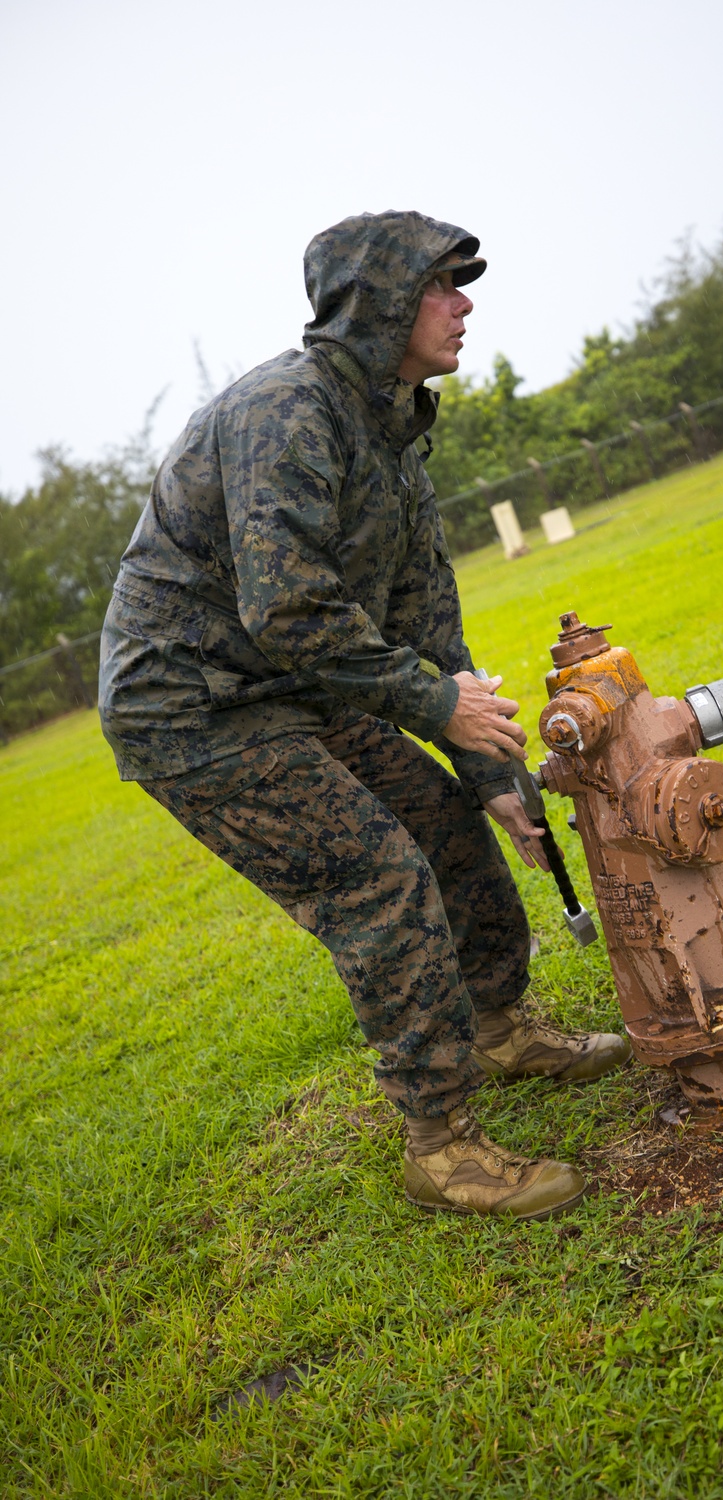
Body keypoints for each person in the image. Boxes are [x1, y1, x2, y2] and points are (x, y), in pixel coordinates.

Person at [99, 210, 629, 1221]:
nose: (464, 305)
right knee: (375, 876)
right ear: (380, 304)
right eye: (441, 286)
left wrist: (487, 771)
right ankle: (441, 1146)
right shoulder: (286, 412)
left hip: (295, 686)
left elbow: (422, 614)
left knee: (442, 826)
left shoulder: (395, 427)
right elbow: (288, 605)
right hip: (192, 707)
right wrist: (434, 703)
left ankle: (500, 1025)